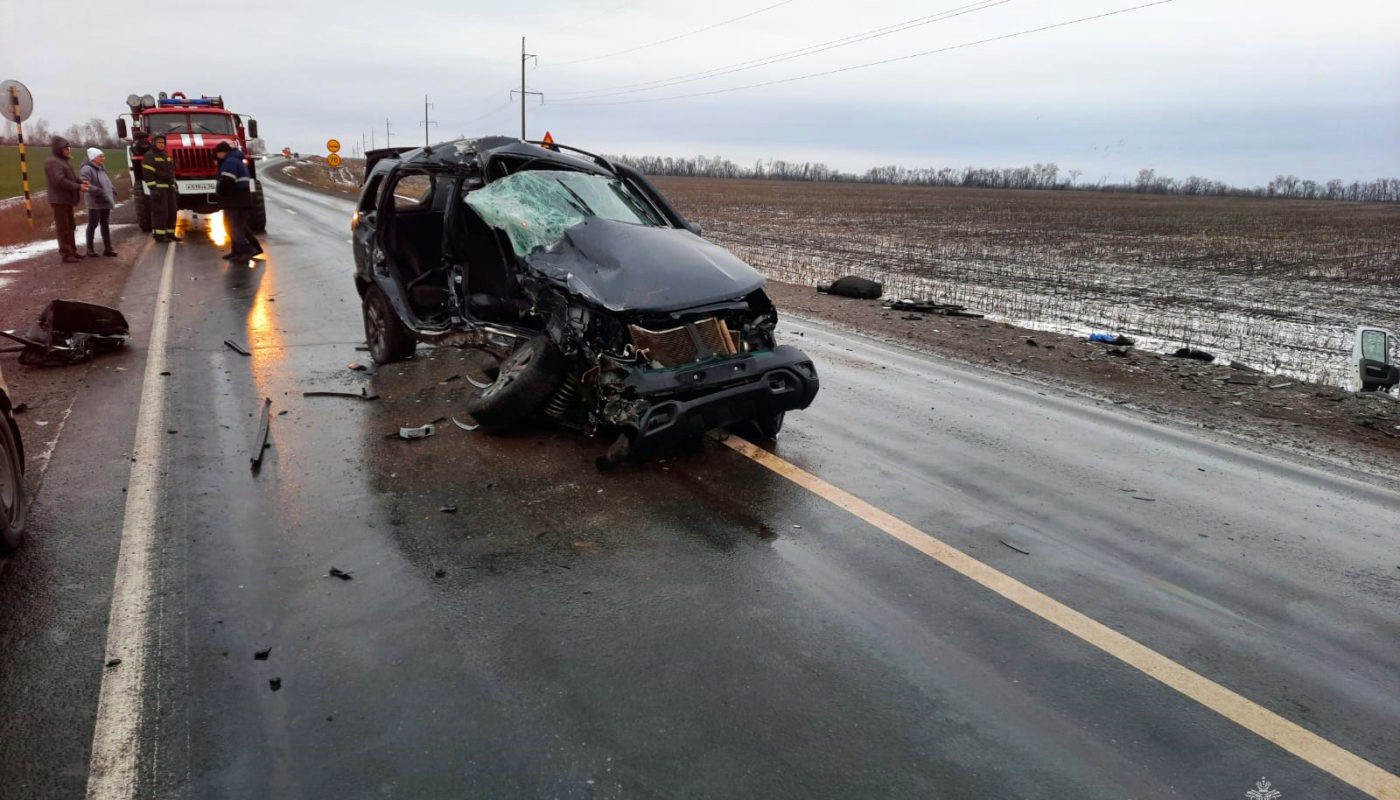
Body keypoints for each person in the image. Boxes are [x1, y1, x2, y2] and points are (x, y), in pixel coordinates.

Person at [44, 136, 90, 263]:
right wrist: (78, 187)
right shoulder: (52, 162)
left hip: (66, 199)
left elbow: (71, 177)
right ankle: (66, 254)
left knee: (70, 226)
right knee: (63, 228)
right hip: (59, 200)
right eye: (66, 148)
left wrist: (81, 182)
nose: (68, 150)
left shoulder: (63, 161)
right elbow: (59, 181)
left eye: (68, 147)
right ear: (59, 149)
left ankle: (73, 252)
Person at [214, 141, 262, 261]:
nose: (216, 157)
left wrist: (219, 191)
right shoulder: (236, 160)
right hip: (240, 199)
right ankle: (237, 252)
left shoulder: (230, 162)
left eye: (217, 154)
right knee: (239, 226)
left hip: (234, 200)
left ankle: (246, 251)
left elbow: (227, 180)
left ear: (222, 152)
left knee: (233, 226)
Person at [79, 147, 118, 257]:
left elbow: (107, 181)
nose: (103, 158)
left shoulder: (101, 168)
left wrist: (112, 189)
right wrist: (99, 191)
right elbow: (85, 184)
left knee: (105, 224)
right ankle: (90, 249)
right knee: (93, 224)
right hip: (94, 201)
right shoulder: (87, 169)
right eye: (100, 156)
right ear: (93, 157)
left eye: (103, 156)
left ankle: (108, 249)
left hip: (104, 199)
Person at [142, 134, 177, 242]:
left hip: (169, 188)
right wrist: (153, 189)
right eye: (159, 142)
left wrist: (175, 185)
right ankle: (159, 235)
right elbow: (148, 173)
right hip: (159, 188)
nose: (162, 144)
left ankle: (170, 234)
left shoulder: (165, 155)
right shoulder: (150, 156)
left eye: (163, 142)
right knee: (161, 213)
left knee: (172, 212)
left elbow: (170, 172)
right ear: (153, 143)